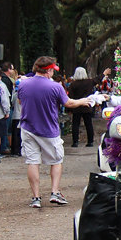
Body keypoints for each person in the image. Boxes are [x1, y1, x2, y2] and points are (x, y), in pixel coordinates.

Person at [17, 56, 94, 208]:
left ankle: (36, 197)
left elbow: (20, 101)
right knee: (56, 160)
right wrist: (83, 101)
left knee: (32, 162)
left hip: (28, 128)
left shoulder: (23, 84)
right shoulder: (55, 87)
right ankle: (54, 192)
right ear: (49, 71)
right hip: (48, 129)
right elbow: (68, 103)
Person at [68, 67, 111, 147]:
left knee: (75, 124)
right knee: (88, 124)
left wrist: (69, 108)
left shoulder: (73, 84)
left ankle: (75, 142)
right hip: (87, 105)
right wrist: (104, 74)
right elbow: (97, 80)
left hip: (76, 105)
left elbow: (70, 96)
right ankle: (90, 141)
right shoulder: (89, 82)